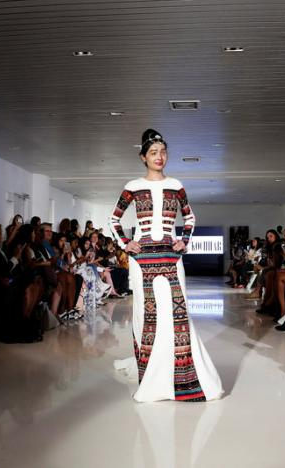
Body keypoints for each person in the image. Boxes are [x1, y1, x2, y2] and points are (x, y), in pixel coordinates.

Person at [109, 128, 223, 402]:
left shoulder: (176, 184)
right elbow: (113, 219)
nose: (159, 157)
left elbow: (190, 217)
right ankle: (149, 377)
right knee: (145, 317)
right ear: (143, 157)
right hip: (142, 258)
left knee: (177, 316)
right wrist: (126, 243)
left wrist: (184, 240)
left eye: (163, 152)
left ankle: (182, 378)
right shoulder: (133, 186)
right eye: (153, 153)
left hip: (172, 258)